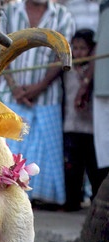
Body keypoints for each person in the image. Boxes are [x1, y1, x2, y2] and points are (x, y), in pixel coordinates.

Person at [0, 0, 75, 208]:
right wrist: (13, 86)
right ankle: (7, 193)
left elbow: (63, 55)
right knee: (7, 149)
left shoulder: (62, 16)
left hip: (47, 96)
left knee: (46, 149)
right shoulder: (10, 12)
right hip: (11, 94)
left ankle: (42, 199)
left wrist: (40, 86)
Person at [63, 29, 100, 211]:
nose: (78, 52)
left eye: (83, 48)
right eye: (75, 48)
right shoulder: (67, 69)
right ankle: (72, 202)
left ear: (91, 50)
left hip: (92, 128)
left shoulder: (94, 69)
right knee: (72, 167)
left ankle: (96, 201)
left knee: (94, 168)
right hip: (71, 125)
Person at [93, 0, 109, 185]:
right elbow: (98, 46)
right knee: (103, 146)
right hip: (102, 85)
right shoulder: (105, 6)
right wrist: (87, 82)